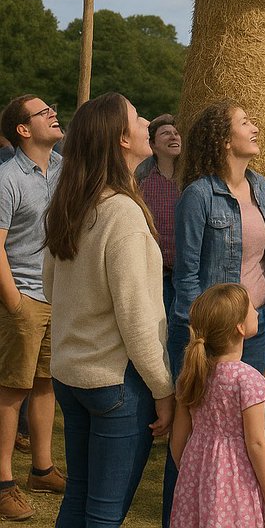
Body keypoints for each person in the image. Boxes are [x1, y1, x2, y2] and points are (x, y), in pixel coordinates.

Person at [42, 92, 174, 528]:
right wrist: (164, 391)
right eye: (138, 118)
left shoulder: (70, 202)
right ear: (121, 138)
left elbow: (51, 287)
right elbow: (139, 321)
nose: (147, 123)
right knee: (104, 513)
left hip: (70, 374)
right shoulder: (122, 213)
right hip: (115, 382)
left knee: (78, 496)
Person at [166, 100, 265, 527]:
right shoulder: (198, 195)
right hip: (215, 332)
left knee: (245, 435)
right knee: (200, 431)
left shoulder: (260, 185)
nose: (256, 127)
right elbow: (186, 277)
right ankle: (184, 511)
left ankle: (241, 512)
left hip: (259, 324)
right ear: (223, 140)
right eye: (245, 122)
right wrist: (198, 336)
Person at [0, 96, 64, 521]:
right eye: (44, 112)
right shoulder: (6, 178)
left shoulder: (62, 168)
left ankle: (41, 468)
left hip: (57, 296)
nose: (53, 113)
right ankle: (3, 481)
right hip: (22, 297)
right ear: (23, 129)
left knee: (46, 385)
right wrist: (15, 303)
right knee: (12, 389)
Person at [170, 283, 265, 528]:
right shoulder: (249, 380)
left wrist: (193, 471)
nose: (257, 310)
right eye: (251, 307)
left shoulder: (193, 374)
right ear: (240, 327)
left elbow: (177, 441)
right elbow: (257, 443)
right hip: (236, 483)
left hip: (195, 480)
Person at [137, 113, 181, 317]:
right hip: (156, 273)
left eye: (176, 133)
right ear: (152, 145)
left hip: (184, 273)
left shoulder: (189, 180)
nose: (173, 137)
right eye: (165, 133)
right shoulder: (142, 182)